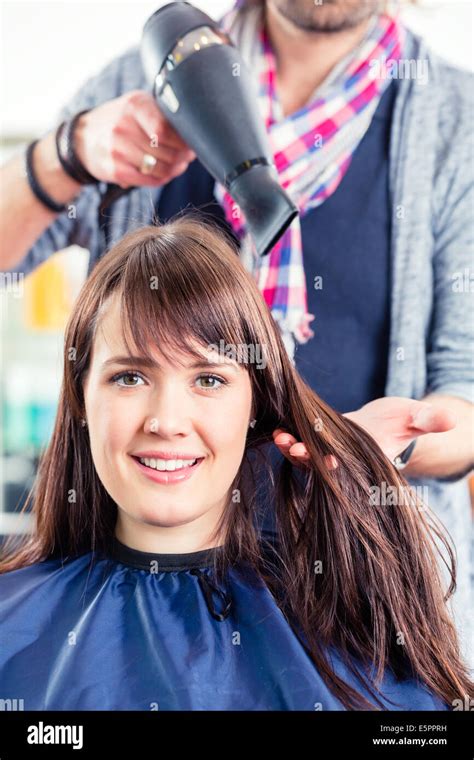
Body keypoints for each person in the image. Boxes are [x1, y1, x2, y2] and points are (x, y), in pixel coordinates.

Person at [0, 0, 472, 662]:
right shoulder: (140, 83)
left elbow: (467, 386)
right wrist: (66, 156)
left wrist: (387, 447)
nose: (170, 418)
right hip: (140, 589)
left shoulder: (453, 120)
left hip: (359, 606)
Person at [0, 217, 471, 711]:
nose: (166, 421)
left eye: (208, 379)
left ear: (255, 406)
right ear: (80, 396)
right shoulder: (13, 631)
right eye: (130, 378)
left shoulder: (356, 640)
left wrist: (362, 458)